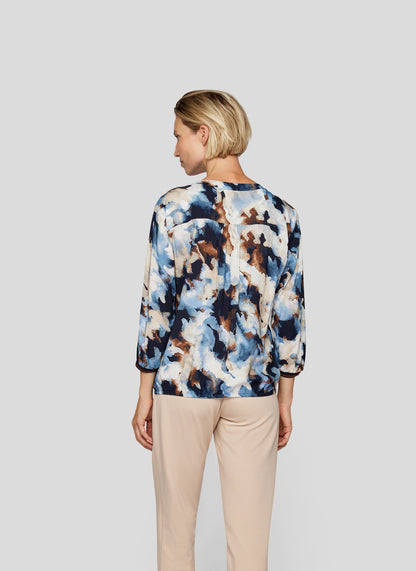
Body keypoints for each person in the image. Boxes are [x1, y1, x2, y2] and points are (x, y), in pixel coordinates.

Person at [131, 89, 306, 571]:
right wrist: (285, 398)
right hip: (255, 390)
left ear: (203, 133)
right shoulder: (282, 213)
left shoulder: (173, 207)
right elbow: (290, 314)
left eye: (179, 136)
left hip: (182, 386)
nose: (175, 149)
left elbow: (156, 306)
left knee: (175, 537)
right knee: (251, 547)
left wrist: (144, 392)